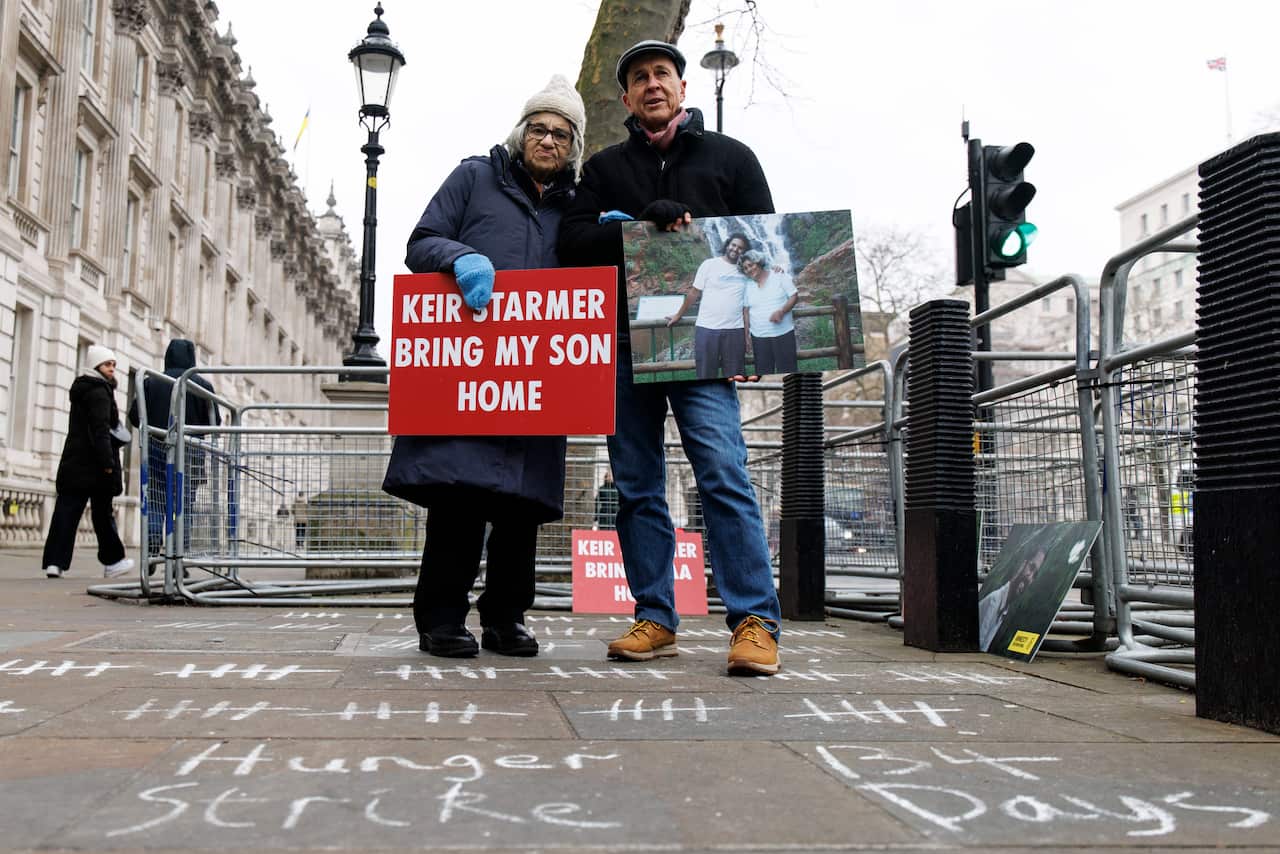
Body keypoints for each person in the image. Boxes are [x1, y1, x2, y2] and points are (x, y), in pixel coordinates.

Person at [558, 40, 782, 675]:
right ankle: (655, 616)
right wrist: (635, 225)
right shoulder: (602, 169)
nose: (651, 84)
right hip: (625, 349)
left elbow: (763, 251)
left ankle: (755, 623)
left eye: (662, 73)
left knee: (723, 475)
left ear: (681, 88)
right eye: (638, 78)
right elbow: (572, 241)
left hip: (704, 348)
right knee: (636, 488)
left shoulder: (731, 158)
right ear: (627, 98)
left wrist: (752, 340)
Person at [382, 75, 585, 659]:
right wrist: (462, 255)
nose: (549, 141)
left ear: (573, 146)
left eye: (562, 134)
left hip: (541, 373)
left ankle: (506, 618)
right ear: (522, 134)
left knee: (522, 511)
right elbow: (422, 242)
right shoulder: (473, 177)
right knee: (459, 501)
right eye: (540, 129)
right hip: (470, 368)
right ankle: (441, 619)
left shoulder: (577, 205)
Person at [42, 345, 135, 579]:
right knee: (103, 514)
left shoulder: (80, 390)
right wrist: (108, 463)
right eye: (107, 365)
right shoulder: (100, 391)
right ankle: (113, 561)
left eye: (113, 365)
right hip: (95, 465)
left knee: (66, 513)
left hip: (74, 461)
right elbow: (101, 430)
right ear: (96, 367)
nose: (112, 369)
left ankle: (55, 562)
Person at [127, 339, 220, 565]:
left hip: (157, 447)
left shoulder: (152, 382)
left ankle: (150, 550)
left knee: (157, 500)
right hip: (192, 451)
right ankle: (179, 557)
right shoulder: (202, 386)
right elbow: (215, 422)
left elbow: (133, 418)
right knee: (184, 506)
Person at [666, 233, 752, 379]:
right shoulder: (709, 265)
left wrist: (747, 336)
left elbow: (745, 308)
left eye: (740, 248)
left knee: (735, 376)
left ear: (744, 252)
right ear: (728, 244)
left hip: (734, 331)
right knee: (705, 376)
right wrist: (678, 315)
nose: (735, 249)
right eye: (734, 245)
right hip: (707, 329)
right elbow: (694, 293)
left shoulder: (745, 272)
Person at [739, 248, 799, 375]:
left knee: (789, 373)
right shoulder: (747, 285)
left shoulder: (778, 275)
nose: (749, 269)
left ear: (759, 262)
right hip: (759, 338)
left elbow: (794, 296)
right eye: (745, 268)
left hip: (783, 335)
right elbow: (746, 311)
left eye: (751, 265)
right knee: (764, 374)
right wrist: (746, 336)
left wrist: (782, 312)